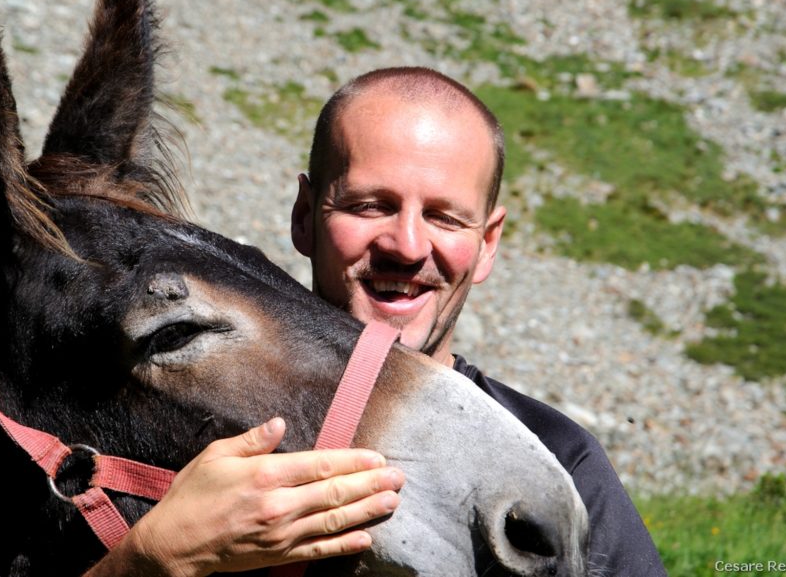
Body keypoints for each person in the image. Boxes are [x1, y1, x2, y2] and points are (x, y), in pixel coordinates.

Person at [87, 67, 666, 577]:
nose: (407, 246)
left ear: (487, 244)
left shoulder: (561, 463)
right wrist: (149, 562)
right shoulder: (172, 428)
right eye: (369, 205)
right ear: (304, 217)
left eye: (444, 217)